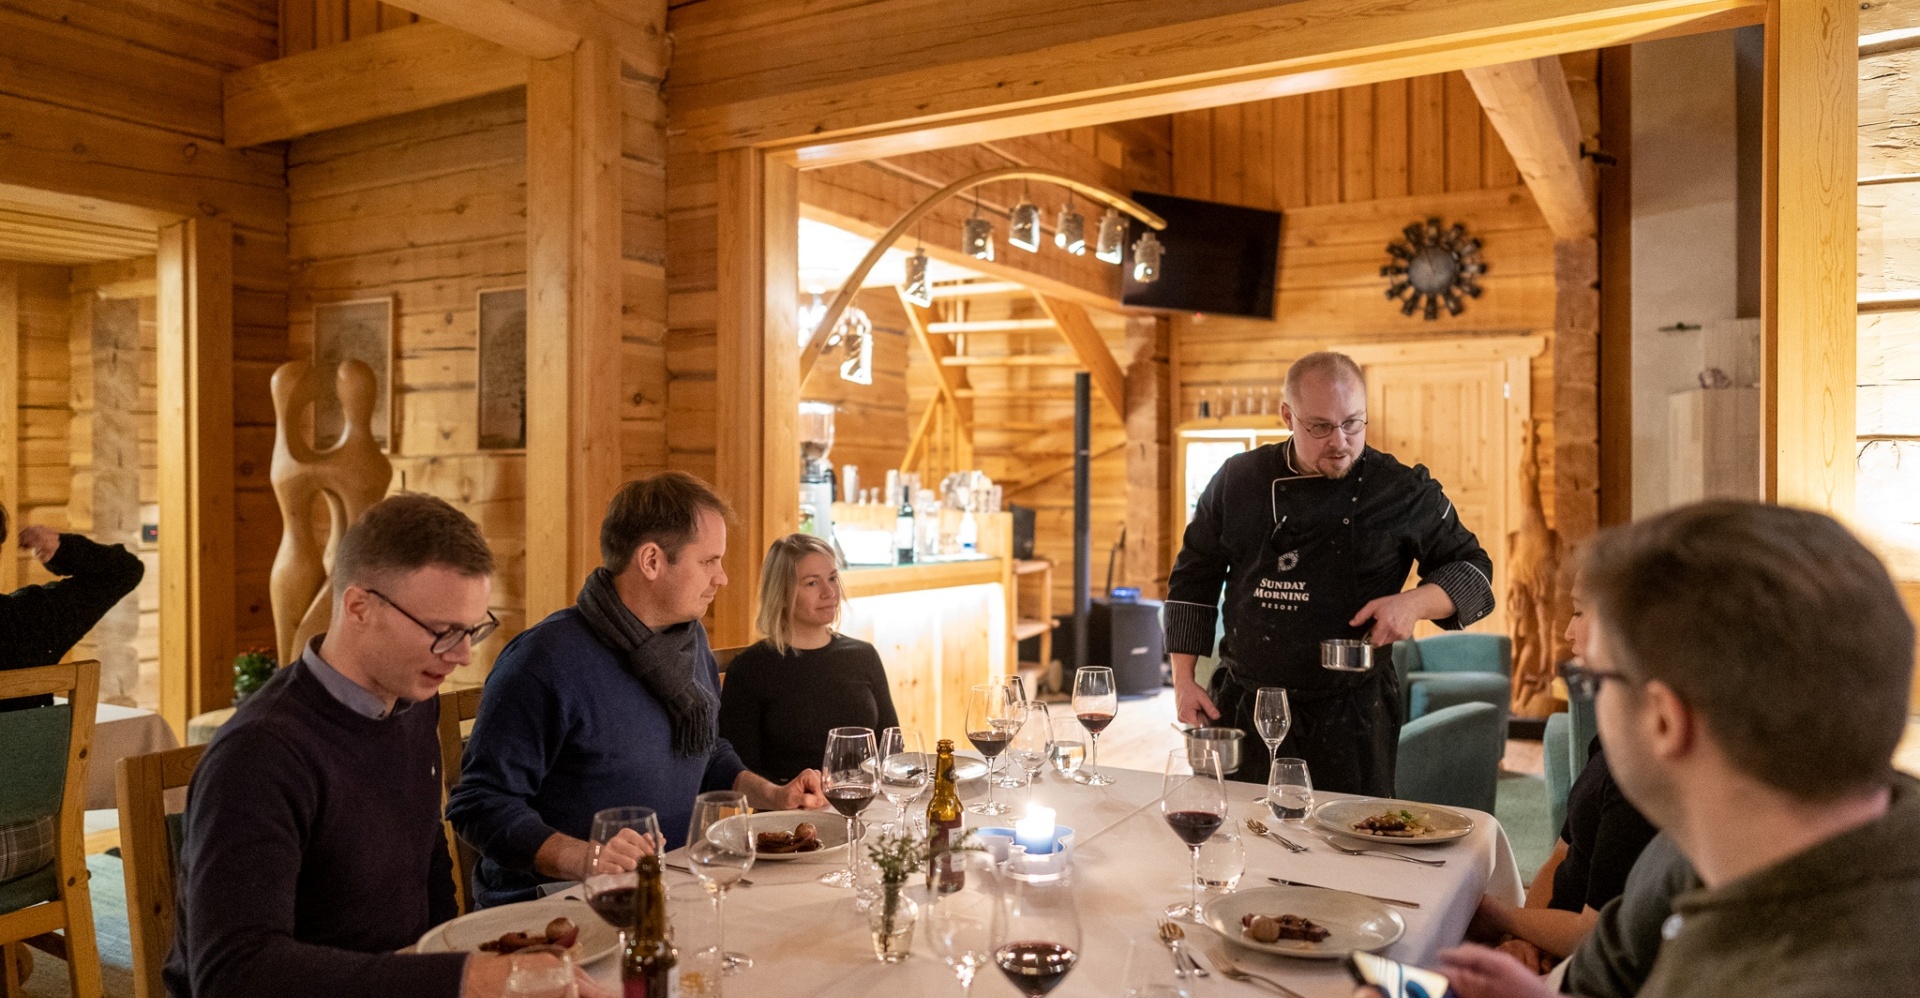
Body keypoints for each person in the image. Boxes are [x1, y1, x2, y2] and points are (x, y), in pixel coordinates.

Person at [1404, 501, 1920, 998]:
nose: (1591, 695)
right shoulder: (1693, 846)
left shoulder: (1842, 976)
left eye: (1593, 679)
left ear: (1665, 720)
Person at [166, 493, 601, 998]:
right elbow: (233, 974)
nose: (462, 656)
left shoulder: (412, 702)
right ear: (358, 607)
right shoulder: (262, 753)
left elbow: (428, 868)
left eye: (472, 630)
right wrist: (461, 979)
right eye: (443, 632)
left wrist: (457, 961)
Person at [450, 472, 826, 908]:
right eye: (709, 561)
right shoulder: (545, 660)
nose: (721, 577)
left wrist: (774, 796)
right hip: (558, 900)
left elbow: (705, 751)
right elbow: (478, 804)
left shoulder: (687, 640)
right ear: (651, 561)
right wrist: (585, 858)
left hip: (669, 882)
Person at [1164, 352, 1495, 794]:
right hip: (1247, 702)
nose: (1339, 441)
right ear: (1287, 416)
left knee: (1350, 847)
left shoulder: (1400, 490)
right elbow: (1192, 579)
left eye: (1353, 423)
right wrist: (1185, 681)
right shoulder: (1237, 480)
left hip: (1353, 713)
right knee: (1244, 837)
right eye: (1320, 426)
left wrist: (1412, 604)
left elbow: (1475, 572)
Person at [1468, 573, 1656, 970]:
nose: (1568, 632)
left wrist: (1501, 916)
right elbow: (1561, 855)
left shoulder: (1642, 772)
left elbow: (1596, 933)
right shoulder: (1613, 734)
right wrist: (1523, 936)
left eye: (1579, 613)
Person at [719, 532, 900, 782]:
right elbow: (739, 773)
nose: (829, 592)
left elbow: (893, 751)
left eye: (833, 578)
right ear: (781, 594)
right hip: (788, 814)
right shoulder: (750, 669)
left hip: (865, 805)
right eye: (812, 583)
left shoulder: (863, 656)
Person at [1, 502, 145, 711]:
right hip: (31, 743)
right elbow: (123, 569)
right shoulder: (30, 619)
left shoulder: (27, 617)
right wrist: (60, 548)